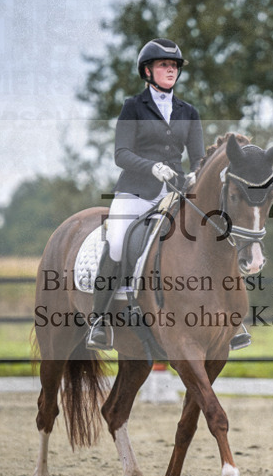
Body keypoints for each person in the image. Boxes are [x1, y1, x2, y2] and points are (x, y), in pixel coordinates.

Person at [87, 38, 204, 350]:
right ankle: (99, 320)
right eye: (164, 65)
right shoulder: (133, 107)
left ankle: (227, 320)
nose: (171, 70)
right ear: (148, 71)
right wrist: (153, 168)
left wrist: (196, 173)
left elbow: (199, 156)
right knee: (116, 243)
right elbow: (121, 154)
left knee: (208, 238)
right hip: (136, 191)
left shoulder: (188, 112)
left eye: (174, 66)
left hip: (175, 193)